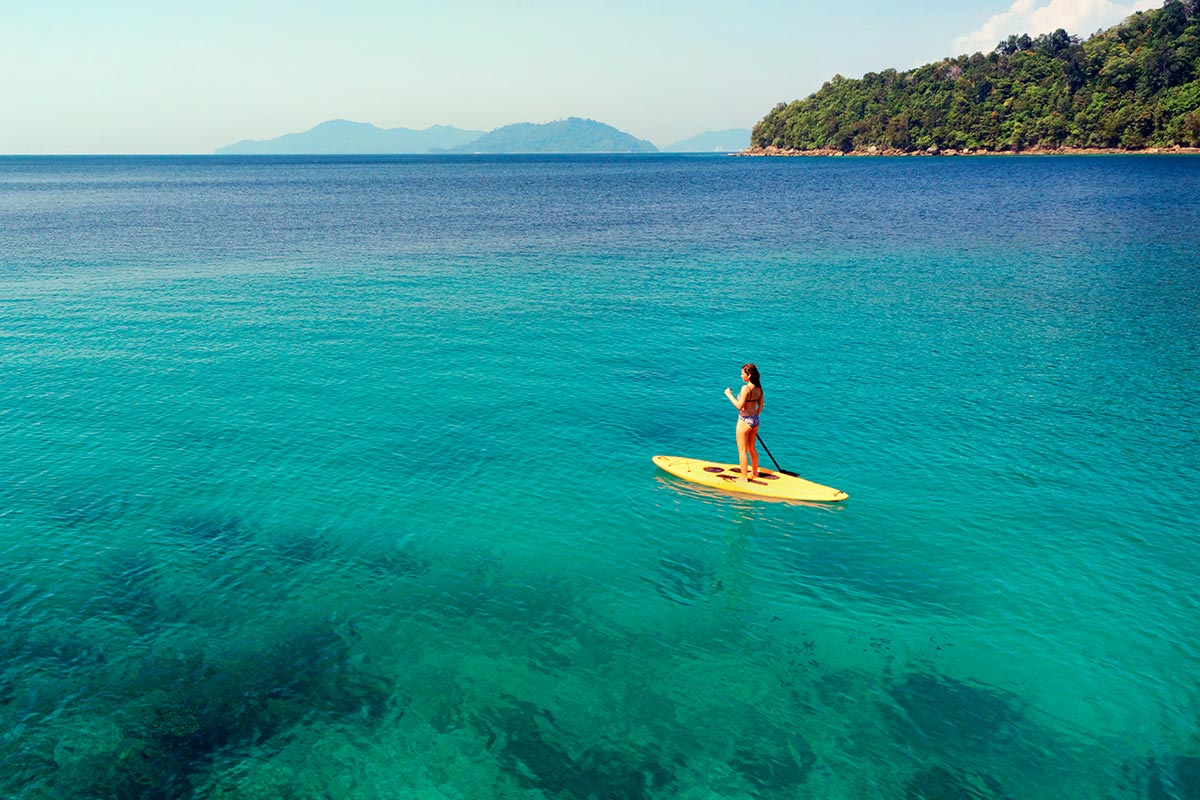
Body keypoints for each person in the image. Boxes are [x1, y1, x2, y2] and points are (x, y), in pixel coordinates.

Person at [724, 363, 764, 481]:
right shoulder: (759, 388)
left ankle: (744, 477)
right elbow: (761, 406)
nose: (741, 376)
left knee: (742, 451)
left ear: (749, 375)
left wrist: (729, 395)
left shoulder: (745, 388)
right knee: (752, 448)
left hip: (744, 421)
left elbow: (739, 406)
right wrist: (754, 415)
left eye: (743, 374)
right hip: (755, 420)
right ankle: (755, 472)